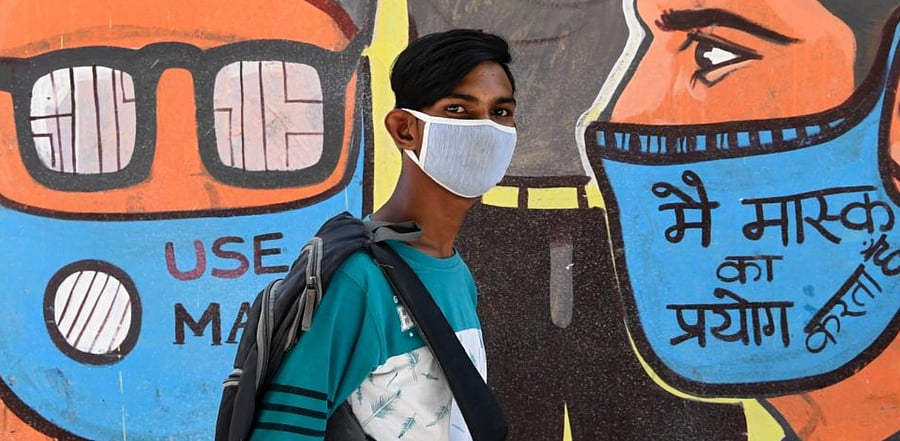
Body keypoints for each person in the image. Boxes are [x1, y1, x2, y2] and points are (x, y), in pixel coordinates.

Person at [249, 28, 517, 441]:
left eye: (500, 112)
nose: (486, 130)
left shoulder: (456, 274)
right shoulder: (360, 280)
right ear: (404, 129)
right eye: (459, 111)